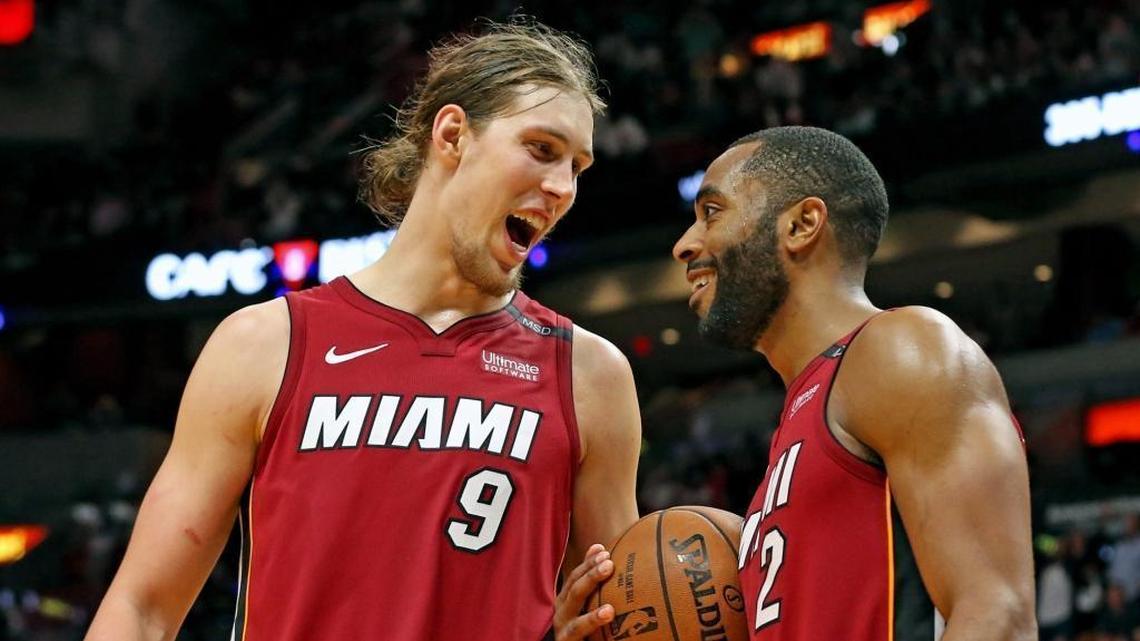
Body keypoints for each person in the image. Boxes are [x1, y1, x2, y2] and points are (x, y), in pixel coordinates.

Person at [85, 20, 638, 641]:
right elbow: (142, 608)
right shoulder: (265, 345)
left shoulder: (590, 375)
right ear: (453, 134)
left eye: (577, 166)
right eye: (541, 149)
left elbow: (623, 616)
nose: (563, 187)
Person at [670, 126, 1036, 640]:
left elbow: (997, 613)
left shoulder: (901, 347)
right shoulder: (796, 429)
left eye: (712, 212)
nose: (684, 246)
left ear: (802, 224)